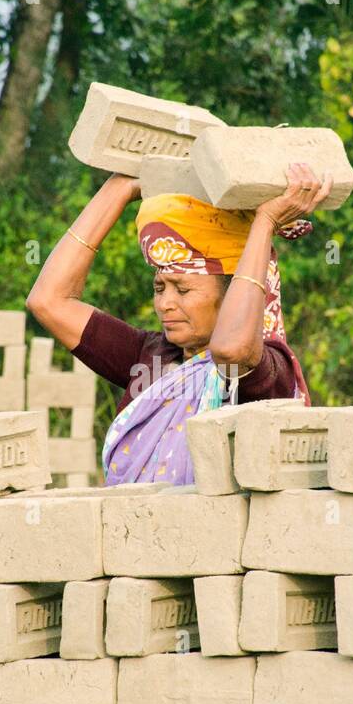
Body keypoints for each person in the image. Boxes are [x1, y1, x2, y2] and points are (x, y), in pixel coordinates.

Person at [26, 163, 332, 486]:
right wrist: (120, 188)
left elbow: (230, 350)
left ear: (233, 291)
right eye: (160, 287)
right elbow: (48, 301)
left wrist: (265, 223)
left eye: (182, 289)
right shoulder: (151, 355)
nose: (165, 303)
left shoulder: (268, 371)